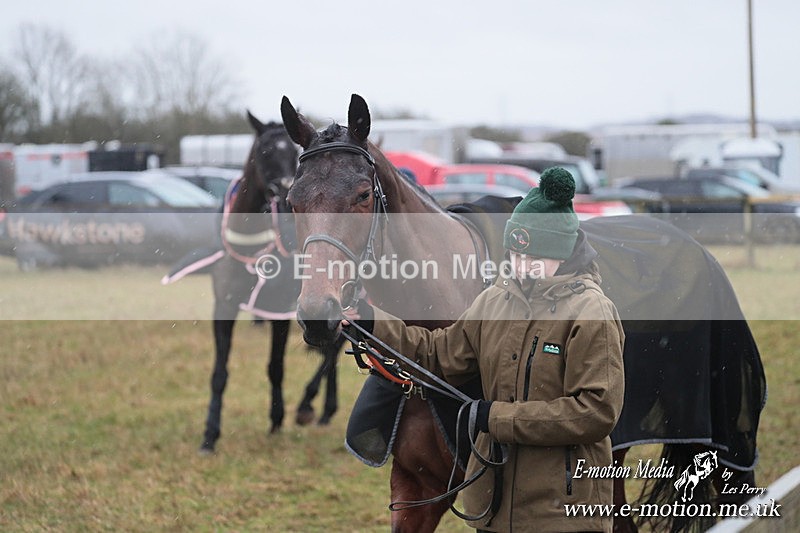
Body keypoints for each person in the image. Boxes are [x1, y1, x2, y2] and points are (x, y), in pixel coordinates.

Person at [343, 167, 625, 533]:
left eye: (535, 257)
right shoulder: (494, 301)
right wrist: (372, 322)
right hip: (493, 509)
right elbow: (438, 354)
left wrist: (496, 419)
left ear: (563, 252)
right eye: (516, 254)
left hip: (562, 513)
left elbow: (596, 413)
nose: (522, 267)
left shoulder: (591, 312)